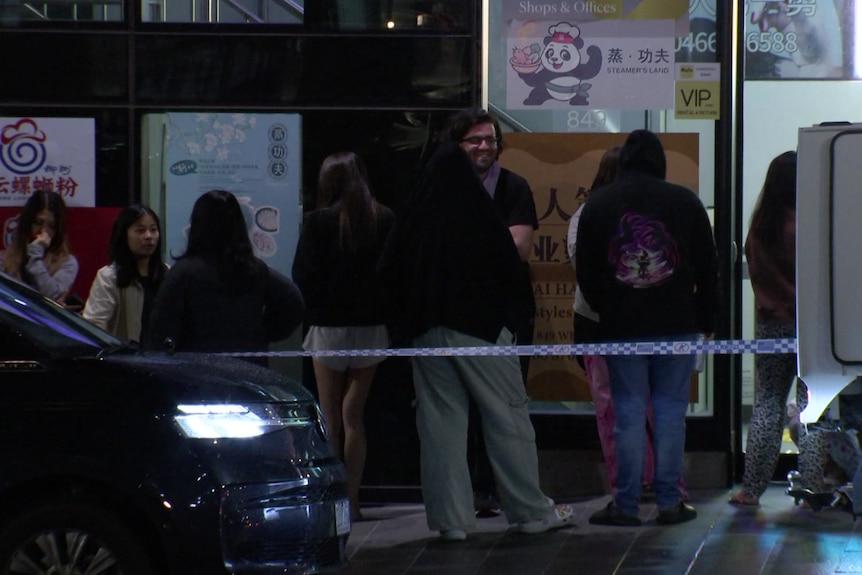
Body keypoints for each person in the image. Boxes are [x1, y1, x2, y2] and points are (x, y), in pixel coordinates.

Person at [378, 142, 573, 542]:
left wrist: (407, 325)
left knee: (440, 427)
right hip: (482, 333)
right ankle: (529, 511)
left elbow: (387, 273)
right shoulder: (479, 215)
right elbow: (509, 268)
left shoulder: (415, 217)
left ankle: (451, 521)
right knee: (507, 419)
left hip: (427, 335)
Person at [576, 130, 718, 526]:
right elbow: (709, 267)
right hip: (677, 323)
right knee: (672, 413)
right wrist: (707, 319)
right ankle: (671, 503)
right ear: (660, 160)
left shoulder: (599, 204)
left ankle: (625, 504)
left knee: (628, 414)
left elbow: (586, 271)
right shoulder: (685, 202)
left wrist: (609, 307)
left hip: (622, 326)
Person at [567, 146, 690, 500]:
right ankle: (650, 481)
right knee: (643, 407)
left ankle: (637, 483)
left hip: (608, 323)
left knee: (620, 410)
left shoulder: (592, 215)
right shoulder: (595, 215)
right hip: (619, 324)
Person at [438, 108, 539, 517]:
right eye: (475, 140)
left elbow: (519, 250)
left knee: (505, 410)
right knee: (454, 411)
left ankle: (500, 492)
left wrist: (466, 249)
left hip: (506, 314)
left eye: (490, 140)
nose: (484, 147)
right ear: (458, 145)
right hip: (454, 316)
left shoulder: (514, 187)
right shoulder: (443, 187)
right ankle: (464, 496)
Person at [292, 151, 395, 522]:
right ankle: (352, 501)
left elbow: (302, 274)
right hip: (371, 327)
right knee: (354, 417)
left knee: (329, 417)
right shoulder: (382, 218)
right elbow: (393, 273)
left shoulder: (317, 222)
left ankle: (331, 502)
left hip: (327, 328)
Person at [730, 150, 806, 508]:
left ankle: (752, 488)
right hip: (812, 327)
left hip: (772, 325)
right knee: (811, 408)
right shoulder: (811, 225)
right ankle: (811, 487)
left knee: (767, 403)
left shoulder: (759, 229)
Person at [144, 189, 304, 354]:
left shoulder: (183, 273)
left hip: (196, 368)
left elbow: (159, 328)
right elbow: (293, 300)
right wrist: (263, 332)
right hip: (249, 366)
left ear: (198, 225)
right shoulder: (254, 270)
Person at [83, 204, 167, 343]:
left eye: (153, 229)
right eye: (140, 230)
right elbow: (94, 326)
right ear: (124, 235)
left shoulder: (167, 274)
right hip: (123, 359)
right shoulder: (109, 277)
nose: (149, 236)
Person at [0, 190, 78, 302]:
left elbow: (51, 295)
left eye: (51, 226)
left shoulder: (68, 263)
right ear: (27, 224)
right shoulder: (4, 259)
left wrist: (35, 256)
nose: (43, 231)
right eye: (38, 222)